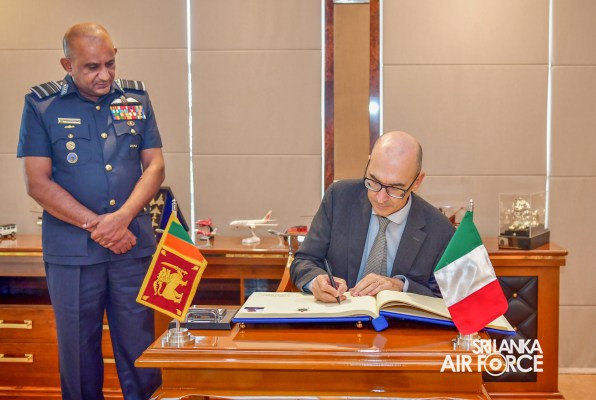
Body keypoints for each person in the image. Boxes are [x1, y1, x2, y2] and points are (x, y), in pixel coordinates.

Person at [17, 23, 163, 399]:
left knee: (142, 355)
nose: (105, 75)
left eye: (110, 64)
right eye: (92, 67)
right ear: (67, 64)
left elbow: (155, 167)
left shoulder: (136, 99)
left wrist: (122, 219)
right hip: (73, 254)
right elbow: (38, 182)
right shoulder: (42, 105)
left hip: (131, 249)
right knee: (79, 358)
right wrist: (100, 226)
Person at [290, 131, 455, 303]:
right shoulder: (339, 198)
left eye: (395, 188)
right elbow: (304, 260)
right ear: (369, 163)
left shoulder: (441, 231)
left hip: (398, 320)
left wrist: (401, 286)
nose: (380, 198)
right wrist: (316, 281)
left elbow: (446, 299)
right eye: (374, 182)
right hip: (338, 315)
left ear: (417, 181)